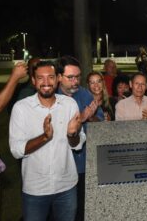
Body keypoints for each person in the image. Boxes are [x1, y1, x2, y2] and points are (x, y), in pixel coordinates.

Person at [9, 60, 85, 221]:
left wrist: (72, 134)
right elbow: (16, 150)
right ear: (33, 81)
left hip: (66, 186)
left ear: (58, 79)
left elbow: (77, 145)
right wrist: (44, 137)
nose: (46, 83)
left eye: (50, 77)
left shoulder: (69, 104)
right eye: (40, 78)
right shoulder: (21, 108)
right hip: (35, 189)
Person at [55, 56, 103, 221]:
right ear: (59, 77)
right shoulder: (50, 97)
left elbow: (100, 123)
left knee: (83, 208)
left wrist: (92, 117)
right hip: (60, 167)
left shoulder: (84, 94)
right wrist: (82, 118)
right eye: (71, 77)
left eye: (78, 76)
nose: (76, 81)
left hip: (84, 164)